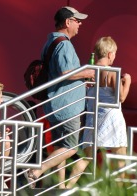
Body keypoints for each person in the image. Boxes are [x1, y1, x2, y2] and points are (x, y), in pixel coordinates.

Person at [24, 6, 95, 189]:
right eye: (77, 20)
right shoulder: (64, 44)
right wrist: (87, 72)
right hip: (67, 105)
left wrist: (81, 79)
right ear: (67, 22)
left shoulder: (50, 42)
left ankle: (59, 186)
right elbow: (66, 72)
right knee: (71, 147)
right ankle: (36, 171)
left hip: (55, 104)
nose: (80, 24)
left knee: (60, 148)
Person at [66, 36, 131, 188]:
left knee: (86, 157)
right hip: (112, 118)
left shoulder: (90, 72)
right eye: (115, 53)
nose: (114, 56)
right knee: (120, 157)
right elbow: (121, 97)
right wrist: (127, 81)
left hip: (94, 119)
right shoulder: (112, 73)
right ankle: (119, 191)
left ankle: (66, 188)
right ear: (109, 54)